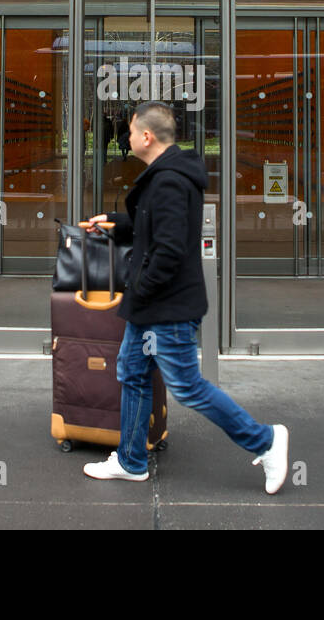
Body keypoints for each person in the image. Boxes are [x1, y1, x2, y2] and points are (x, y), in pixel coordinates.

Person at [81, 100, 290, 494]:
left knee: (187, 386)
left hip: (166, 307)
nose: (125, 138)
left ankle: (266, 440)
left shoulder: (170, 181)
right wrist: (115, 223)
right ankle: (130, 460)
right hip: (153, 306)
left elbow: (171, 249)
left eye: (128, 132)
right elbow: (154, 226)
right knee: (133, 372)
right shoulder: (167, 175)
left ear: (146, 136)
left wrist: (140, 290)